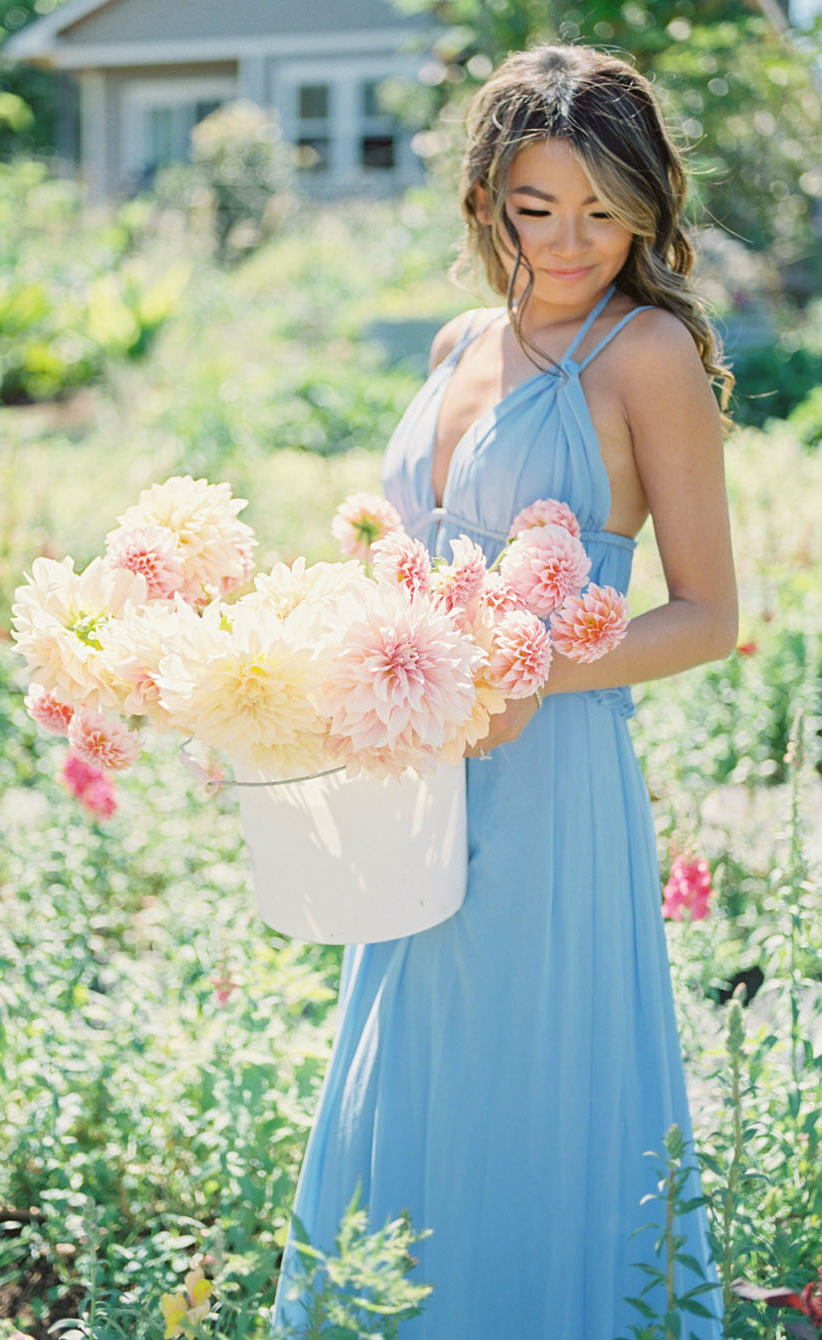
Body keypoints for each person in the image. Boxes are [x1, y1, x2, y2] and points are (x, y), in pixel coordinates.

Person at [272, 44, 737, 1340]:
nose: (574, 239)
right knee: (414, 1069)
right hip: (409, 771)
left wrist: (535, 671)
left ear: (644, 207)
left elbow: (712, 613)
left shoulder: (645, 351)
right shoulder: (459, 340)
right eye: (541, 207)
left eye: (604, 209)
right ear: (489, 202)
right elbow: (402, 547)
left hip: (549, 776)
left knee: (535, 1078)